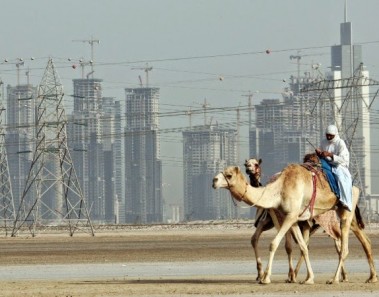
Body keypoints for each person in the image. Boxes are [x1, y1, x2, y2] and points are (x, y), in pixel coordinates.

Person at [315, 124, 352, 211]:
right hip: (325, 162)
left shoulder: (340, 143)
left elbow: (343, 159)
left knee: (340, 177)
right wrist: (319, 152)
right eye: (327, 135)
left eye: (330, 135)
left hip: (338, 165)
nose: (328, 137)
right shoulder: (324, 142)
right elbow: (321, 151)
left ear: (335, 135)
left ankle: (342, 199)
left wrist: (330, 155)